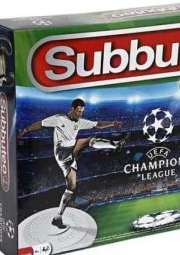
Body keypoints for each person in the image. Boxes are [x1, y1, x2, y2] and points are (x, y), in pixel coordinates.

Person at [18, 98, 129, 229]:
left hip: (70, 155)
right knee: (87, 140)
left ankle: (57, 217)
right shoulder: (59, 118)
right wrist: (25, 130)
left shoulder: (80, 121)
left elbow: (97, 124)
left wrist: (112, 123)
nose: (80, 114)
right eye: (78, 111)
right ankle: (115, 144)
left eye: (82, 112)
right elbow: (41, 124)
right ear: (72, 109)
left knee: (71, 187)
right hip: (62, 151)